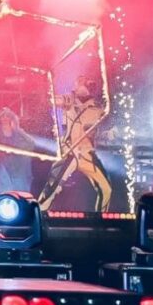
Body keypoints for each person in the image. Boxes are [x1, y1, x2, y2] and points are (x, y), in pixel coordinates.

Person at [39, 76, 112, 212]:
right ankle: (39, 213)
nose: (83, 85)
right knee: (52, 187)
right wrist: (49, 94)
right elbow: (52, 101)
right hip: (69, 151)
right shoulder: (69, 100)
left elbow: (99, 130)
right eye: (80, 83)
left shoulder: (98, 108)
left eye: (85, 83)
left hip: (86, 153)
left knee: (106, 188)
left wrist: (108, 134)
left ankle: (101, 219)